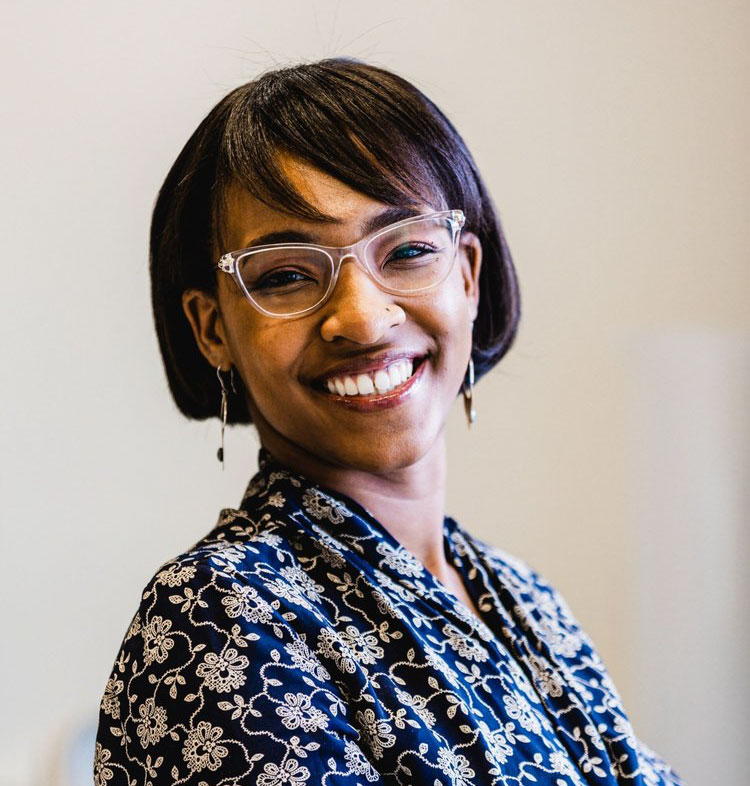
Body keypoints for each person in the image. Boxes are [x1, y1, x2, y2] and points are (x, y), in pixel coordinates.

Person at [94, 58, 684, 786]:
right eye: (286, 273)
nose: (364, 319)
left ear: (468, 277)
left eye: (407, 251)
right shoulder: (218, 618)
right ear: (212, 328)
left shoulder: (523, 598)